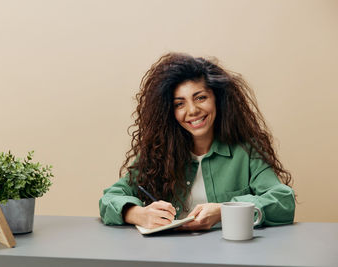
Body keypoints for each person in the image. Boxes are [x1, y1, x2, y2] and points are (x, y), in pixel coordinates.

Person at [99, 52, 295, 230]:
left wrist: (223, 211)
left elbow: (283, 201)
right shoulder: (157, 151)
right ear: (169, 112)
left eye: (200, 98)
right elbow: (109, 198)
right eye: (179, 104)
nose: (192, 110)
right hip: (167, 255)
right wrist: (138, 214)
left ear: (217, 99)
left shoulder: (247, 149)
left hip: (228, 255)